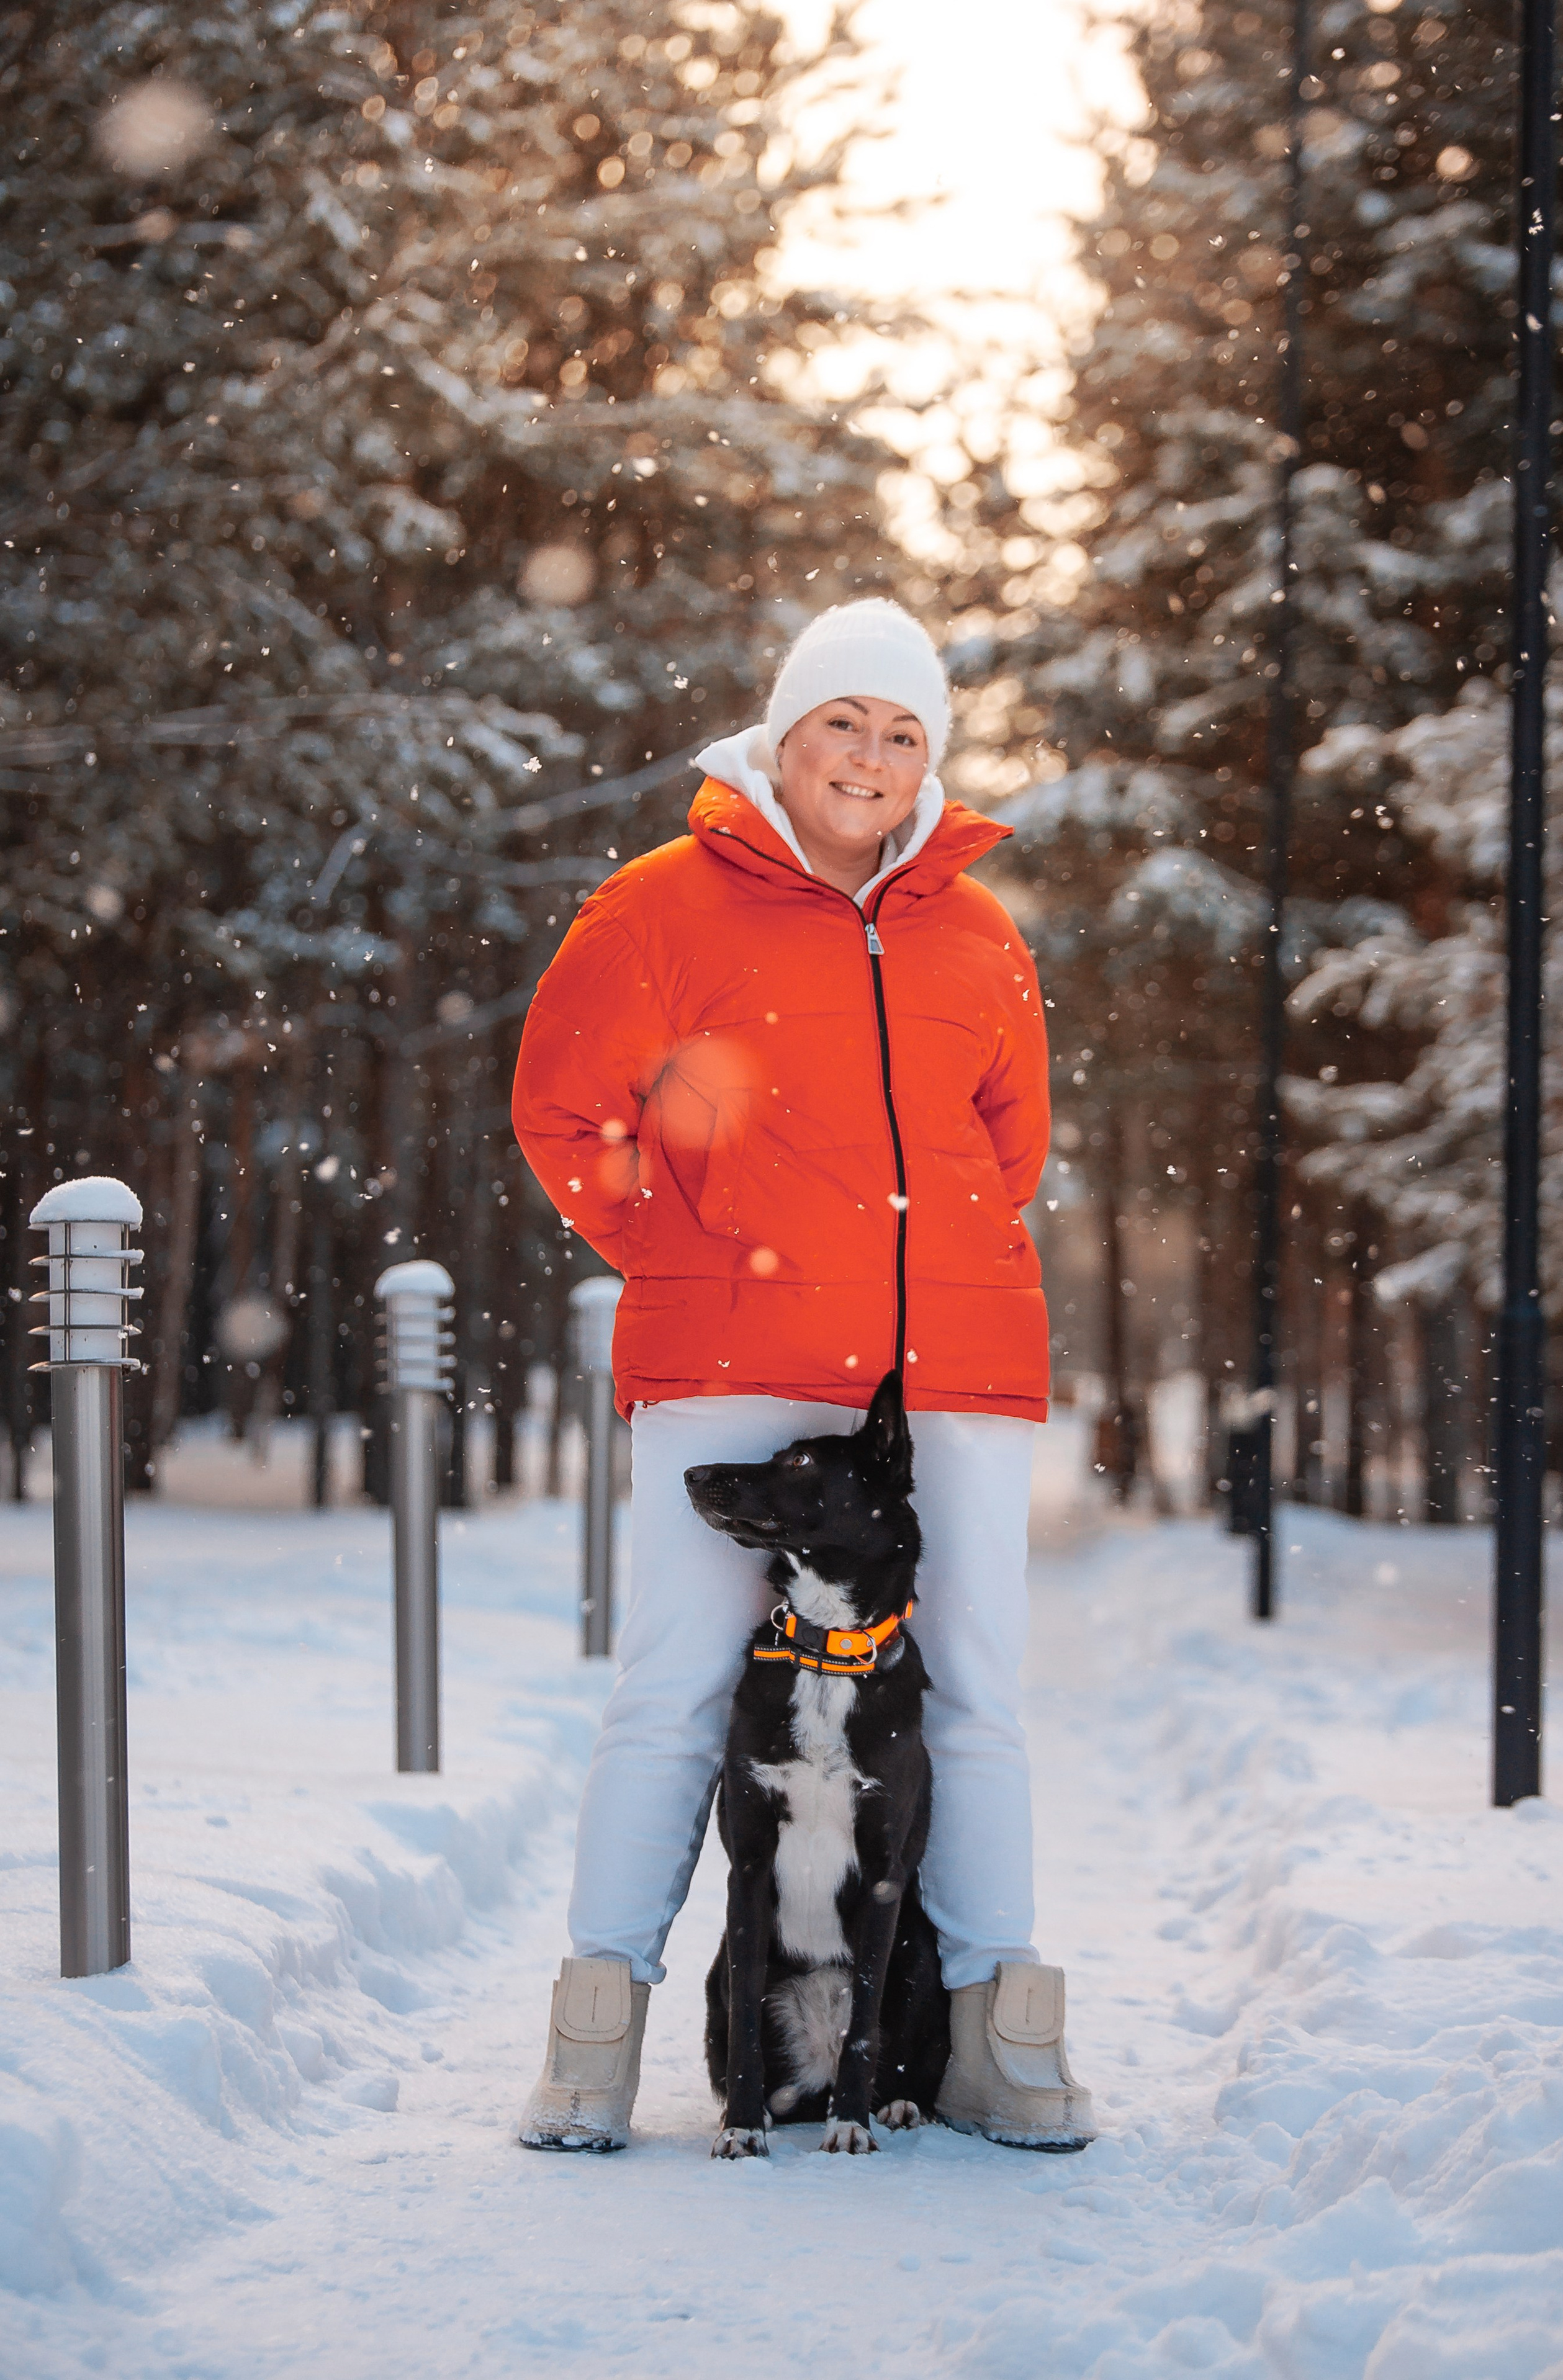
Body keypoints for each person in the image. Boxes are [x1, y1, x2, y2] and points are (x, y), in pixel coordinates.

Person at [510, 599, 1094, 2152]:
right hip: (731, 1352)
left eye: (906, 734)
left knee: (970, 1690)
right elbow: (567, 1114)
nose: (874, 756)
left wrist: (930, 1258)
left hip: (949, 1366)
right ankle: (591, 2038)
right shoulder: (658, 905)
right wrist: (695, 1239)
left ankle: (995, 2035)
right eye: (845, 720)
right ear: (780, 733)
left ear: (930, 762)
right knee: (675, 1687)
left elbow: (1005, 1143)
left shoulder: (974, 927)